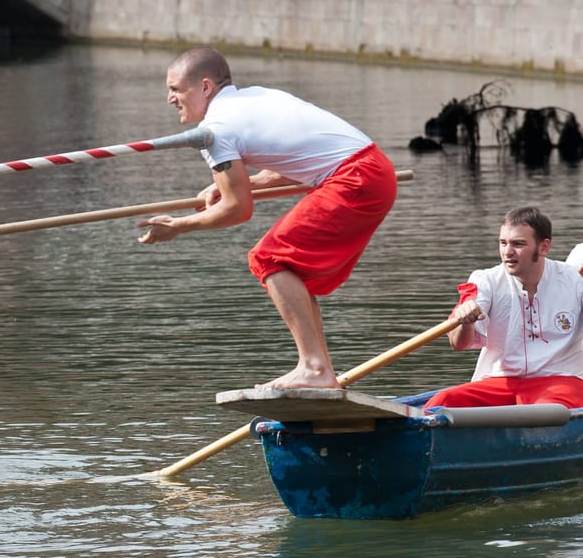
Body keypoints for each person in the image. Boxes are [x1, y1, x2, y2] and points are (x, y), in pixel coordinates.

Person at [136, 47, 398, 389]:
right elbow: (298, 162)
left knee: (269, 258)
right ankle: (320, 372)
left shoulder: (214, 130)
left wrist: (178, 226)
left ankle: (314, 368)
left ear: (204, 87)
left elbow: (238, 209)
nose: (170, 98)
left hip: (354, 178)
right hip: (374, 169)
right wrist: (249, 182)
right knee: (291, 269)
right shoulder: (257, 97)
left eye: (176, 89)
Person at [425, 206, 583, 409]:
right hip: (501, 381)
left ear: (544, 247)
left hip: (561, 378)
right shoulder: (485, 281)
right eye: (503, 243)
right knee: (443, 401)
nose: (508, 252)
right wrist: (466, 323)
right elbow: (458, 344)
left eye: (518, 244)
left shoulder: (575, 281)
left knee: (546, 411)